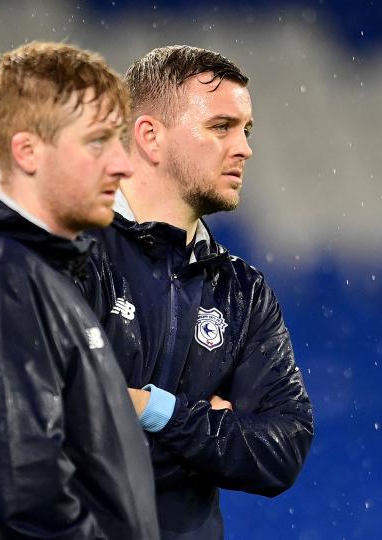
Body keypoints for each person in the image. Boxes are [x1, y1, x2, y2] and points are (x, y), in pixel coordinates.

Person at [0, 42, 159, 540]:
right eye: (98, 142)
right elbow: (22, 492)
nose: (124, 164)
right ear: (27, 151)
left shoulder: (43, 273)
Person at [82, 45, 314, 539]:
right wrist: (209, 438)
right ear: (150, 137)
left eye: (245, 130)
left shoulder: (243, 293)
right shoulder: (68, 253)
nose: (244, 147)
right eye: (221, 127)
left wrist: (153, 411)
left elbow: (283, 449)